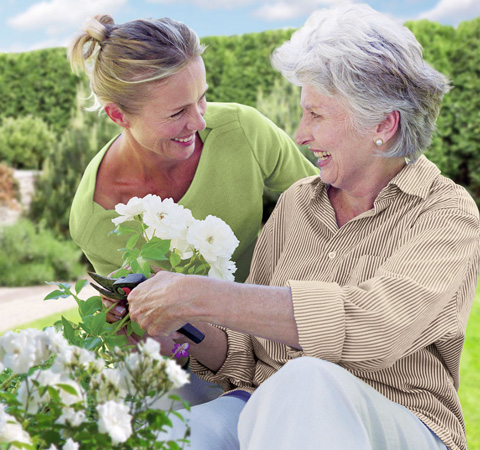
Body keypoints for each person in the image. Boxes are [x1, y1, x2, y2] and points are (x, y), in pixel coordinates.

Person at [123, 3, 480, 450]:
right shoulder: (297, 202)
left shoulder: (444, 212)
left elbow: (374, 327)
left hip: (402, 420)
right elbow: (245, 351)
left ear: (383, 126)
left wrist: (204, 293)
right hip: (264, 405)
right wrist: (182, 325)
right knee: (163, 436)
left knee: (307, 379)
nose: (300, 134)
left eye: (316, 115)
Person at [68, 15, 318, 284]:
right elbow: (133, 319)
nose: (199, 122)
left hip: (280, 306)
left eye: (202, 98)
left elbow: (330, 203)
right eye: (177, 113)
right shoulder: (96, 220)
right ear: (118, 116)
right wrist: (121, 312)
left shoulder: (243, 130)